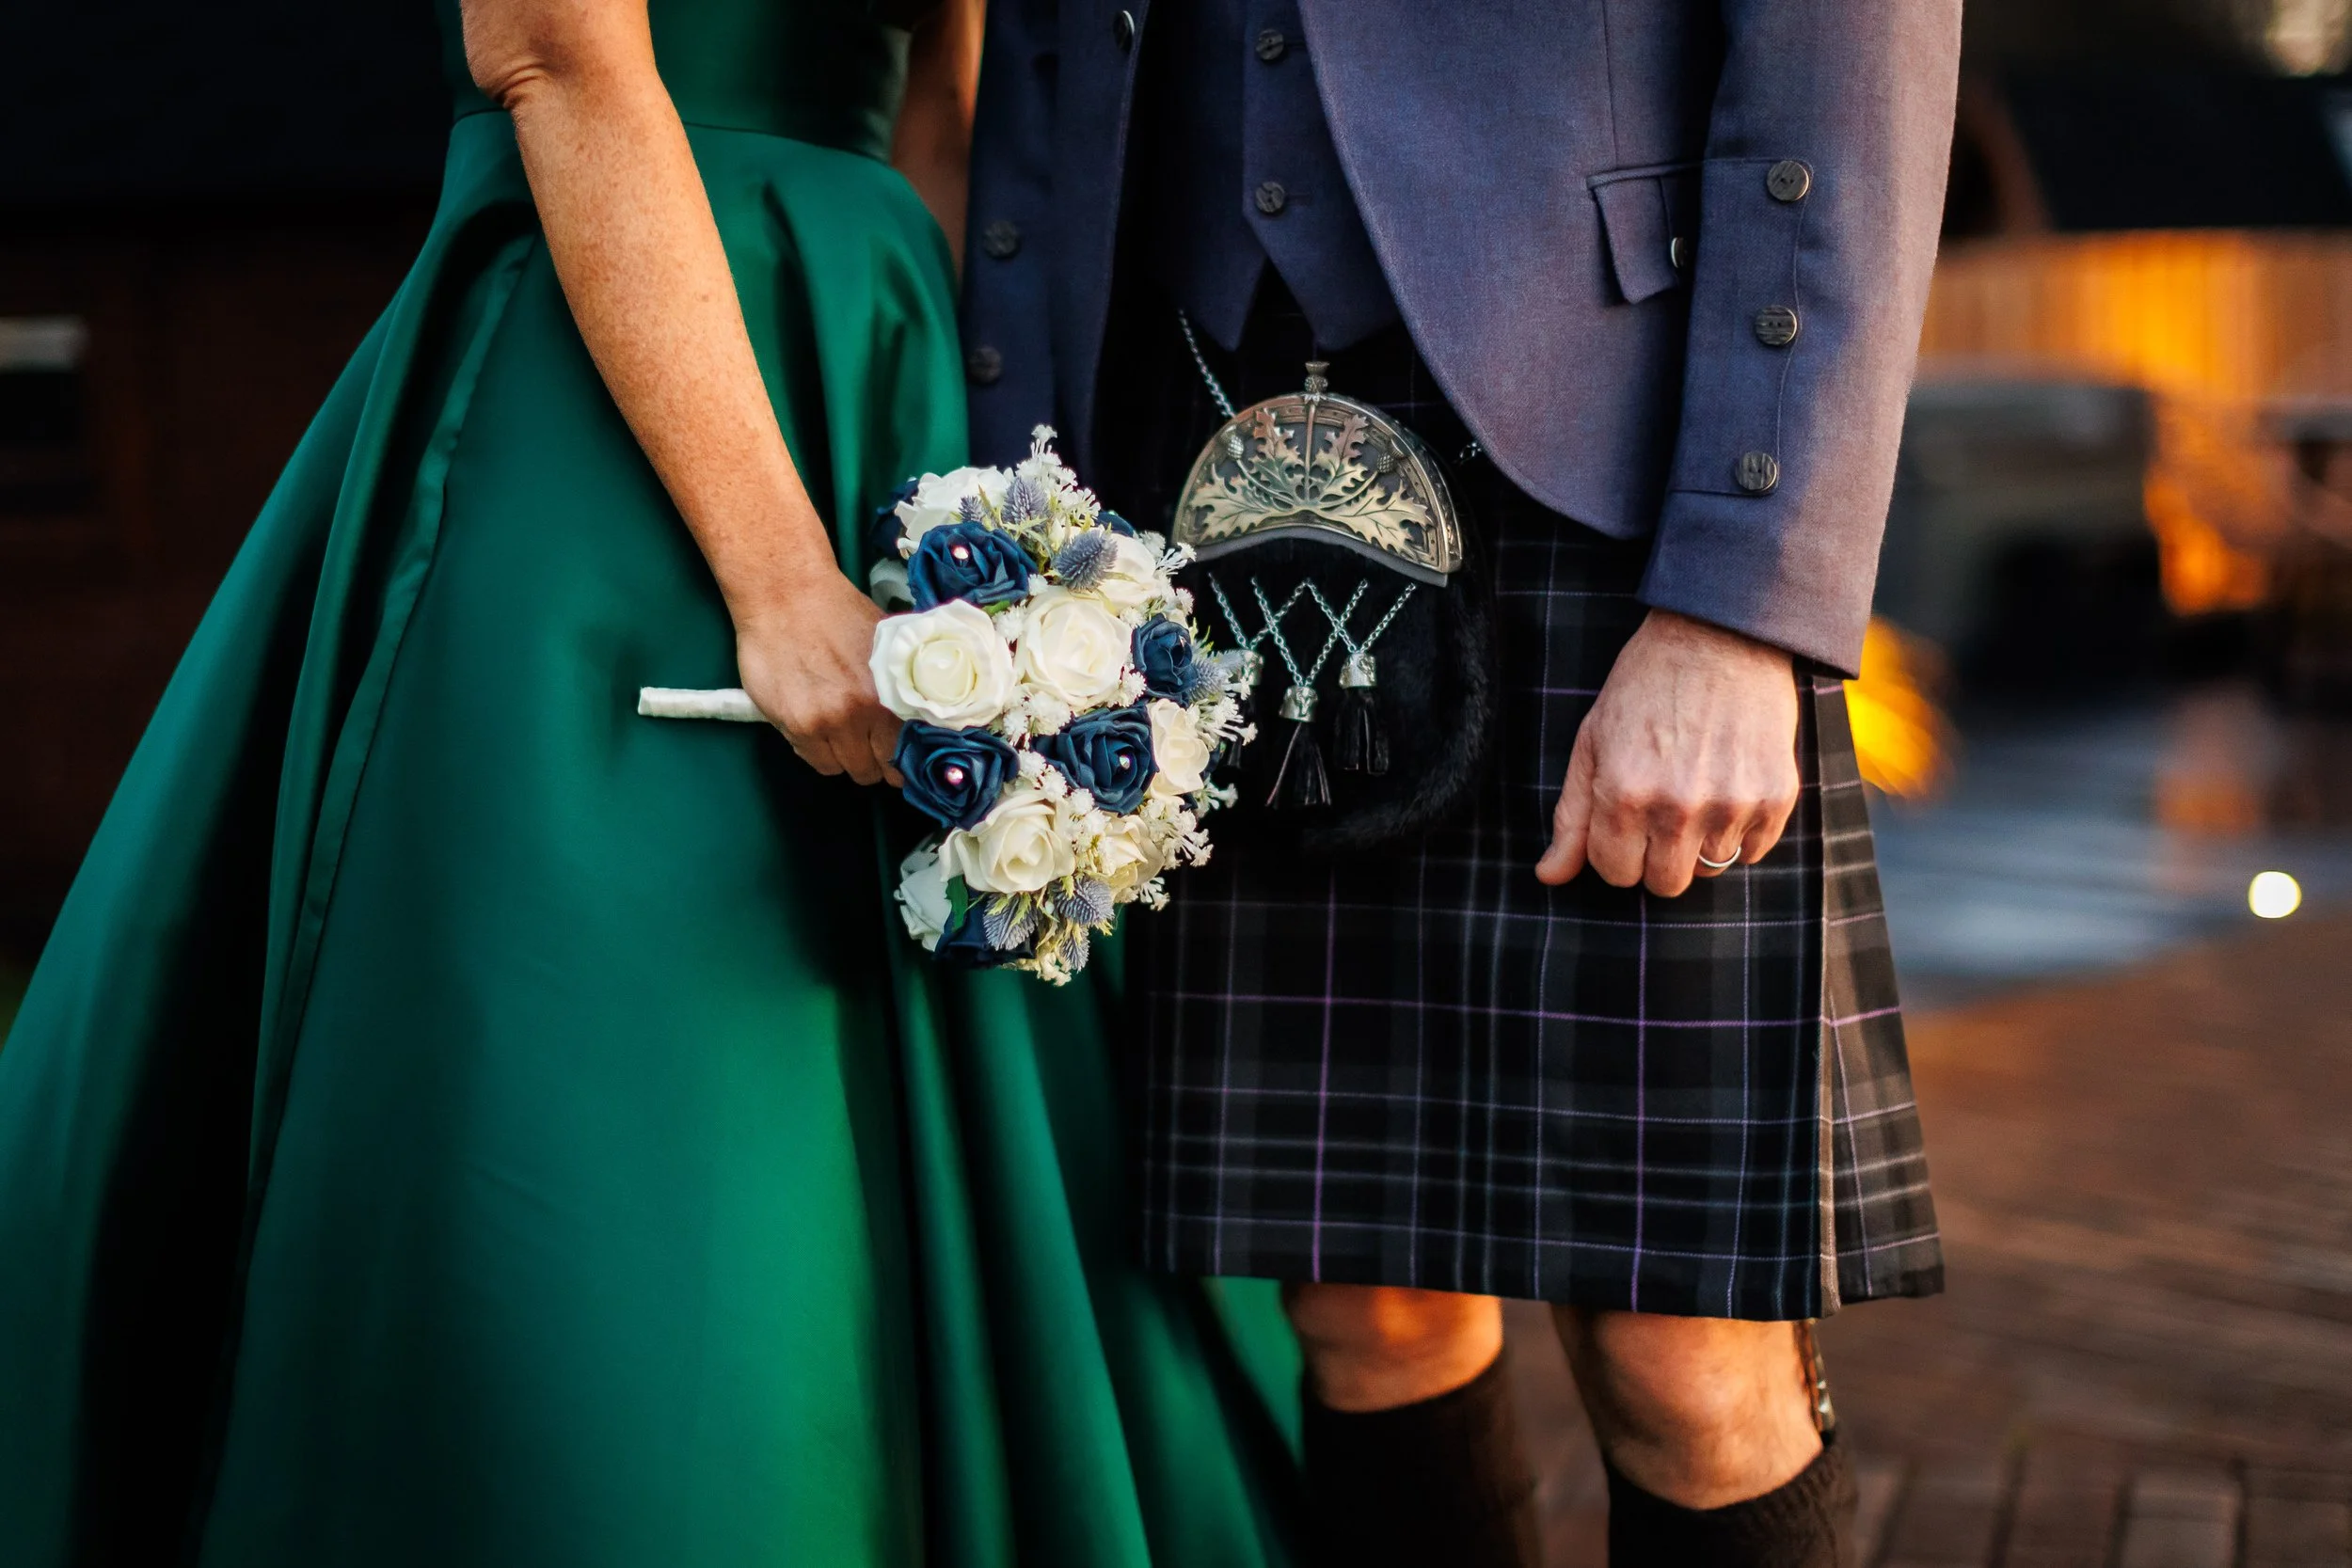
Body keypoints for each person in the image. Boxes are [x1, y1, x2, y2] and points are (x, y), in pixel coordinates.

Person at [0, 3, 1303, 1564]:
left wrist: (1003, 554)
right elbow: (559, 55)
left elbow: (943, 114)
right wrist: (777, 578)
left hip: (885, 360)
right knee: (614, 1120)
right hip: (604, 353)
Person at [961, 2, 1960, 1563]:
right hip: (1199, 435)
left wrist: (1741, 601)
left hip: (1623, 482)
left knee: (1684, 1355)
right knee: (1362, 1304)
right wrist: (1019, 479)